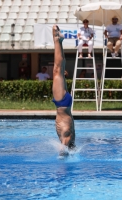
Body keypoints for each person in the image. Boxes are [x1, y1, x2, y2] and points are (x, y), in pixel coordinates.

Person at [52, 25, 75, 155]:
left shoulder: (69, 135)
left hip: (64, 105)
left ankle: (58, 41)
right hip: (62, 103)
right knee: (57, 70)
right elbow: (63, 148)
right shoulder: (66, 133)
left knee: (59, 69)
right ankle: (57, 40)